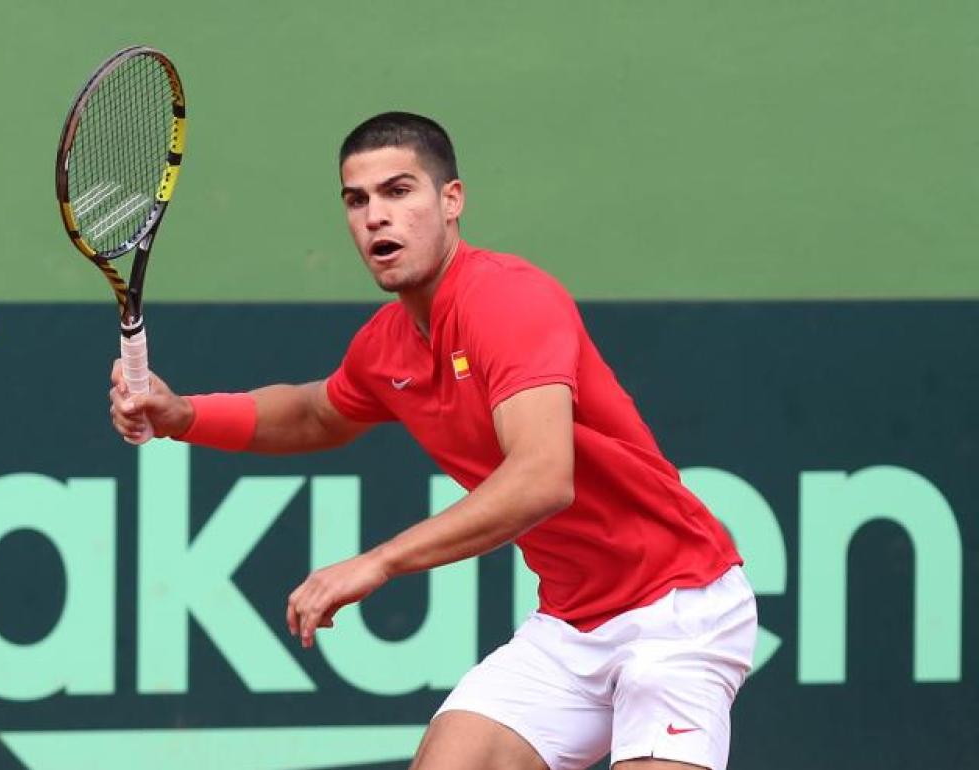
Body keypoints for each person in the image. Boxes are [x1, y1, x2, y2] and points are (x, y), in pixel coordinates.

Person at [109, 112, 756, 770]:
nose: (375, 217)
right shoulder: (386, 345)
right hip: (572, 626)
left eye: (398, 191)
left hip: (679, 610)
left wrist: (379, 562)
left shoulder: (508, 301)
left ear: (452, 201)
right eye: (356, 200)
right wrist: (184, 415)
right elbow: (315, 414)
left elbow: (542, 478)